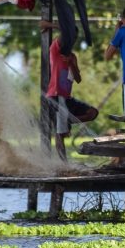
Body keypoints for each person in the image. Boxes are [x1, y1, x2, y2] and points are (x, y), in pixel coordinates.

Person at [40, 20, 98, 161]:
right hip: (56, 95)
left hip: (67, 97)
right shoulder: (56, 49)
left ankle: (68, 121)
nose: (72, 41)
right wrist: (52, 25)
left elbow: (78, 79)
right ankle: (63, 163)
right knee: (60, 133)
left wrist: (72, 64)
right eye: (70, 38)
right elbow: (64, 28)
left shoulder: (72, 56)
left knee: (92, 113)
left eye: (75, 39)